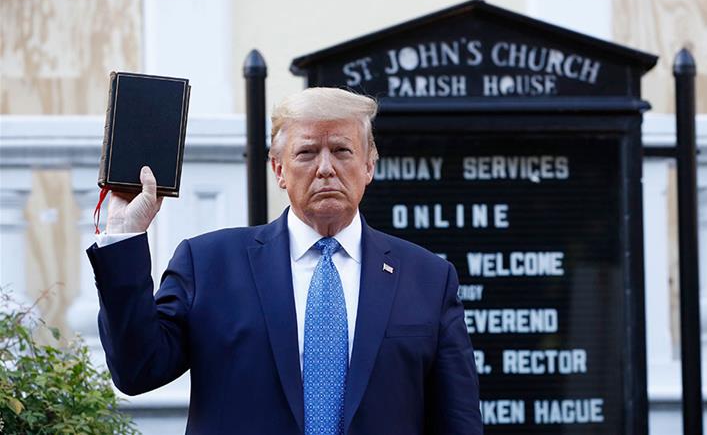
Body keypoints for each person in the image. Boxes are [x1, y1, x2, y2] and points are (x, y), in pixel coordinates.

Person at [86, 87, 482, 434]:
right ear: (279, 169)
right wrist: (125, 236)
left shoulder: (428, 278)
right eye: (307, 152)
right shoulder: (210, 264)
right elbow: (137, 370)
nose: (325, 168)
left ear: (369, 166)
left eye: (342, 150)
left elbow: (457, 419)